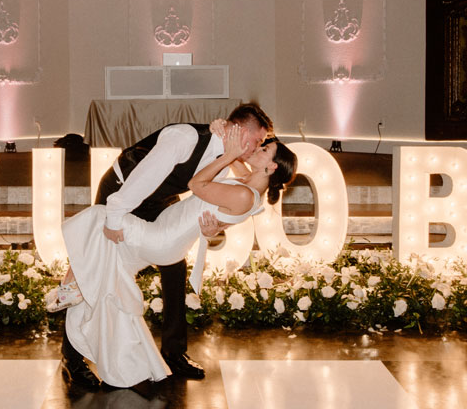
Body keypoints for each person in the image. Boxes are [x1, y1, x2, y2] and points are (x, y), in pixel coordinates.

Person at [51, 123, 297, 388]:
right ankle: (74, 356)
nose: (256, 146)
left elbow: (205, 189)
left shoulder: (235, 173)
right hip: (125, 192)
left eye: (263, 145)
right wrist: (217, 223)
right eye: (259, 139)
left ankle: (173, 351)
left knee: (104, 234)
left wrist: (217, 221)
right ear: (237, 128)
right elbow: (224, 202)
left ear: (271, 167)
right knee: (102, 263)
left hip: (162, 225)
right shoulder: (194, 141)